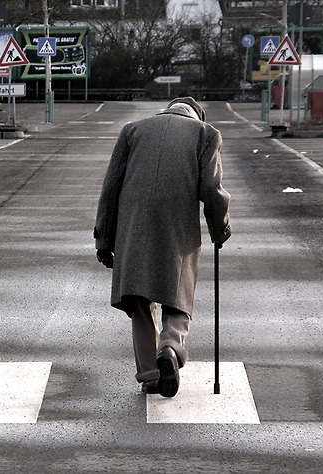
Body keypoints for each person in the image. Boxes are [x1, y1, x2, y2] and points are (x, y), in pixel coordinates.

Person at [93, 97, 232, 397]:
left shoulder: (132, 130)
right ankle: (170, 347)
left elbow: (111, 187)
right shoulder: (205, 134)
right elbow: (211, 188)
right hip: (177, 226)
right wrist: (219, 228)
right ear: (195, 116)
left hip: (133, 227)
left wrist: (104, 238)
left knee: (139, 302)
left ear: (167, 110)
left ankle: (151, 375)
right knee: (177, 296)